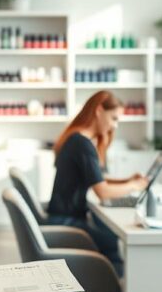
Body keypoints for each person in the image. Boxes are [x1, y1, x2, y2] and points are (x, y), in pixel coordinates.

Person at [47, 91, 147, 275]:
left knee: (107, 234)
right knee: (113, 243)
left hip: (61, 217)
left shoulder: (76, 138)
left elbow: (96, 178)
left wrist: (127, 180)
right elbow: (103, 191)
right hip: (66, 222)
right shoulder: (82, 144)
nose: (114, 126)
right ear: (99, 110)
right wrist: (134, 186)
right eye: (113, 118)